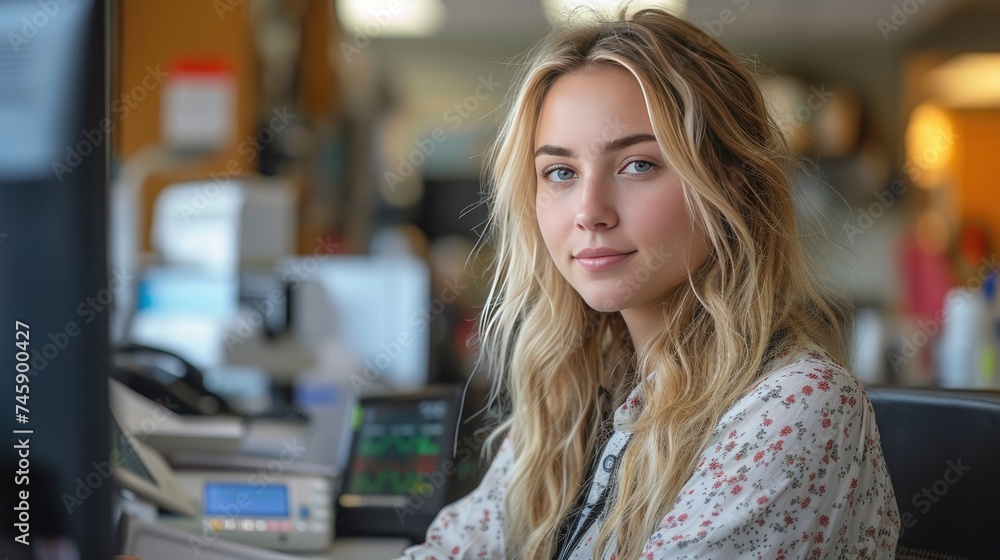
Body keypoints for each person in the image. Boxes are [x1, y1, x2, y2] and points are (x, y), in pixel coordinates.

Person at [396, 7, 900, 560]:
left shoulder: (796, 405)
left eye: (637, 165)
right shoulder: (579, 396)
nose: (589, 212)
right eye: (560, 173)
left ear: (732, 186)